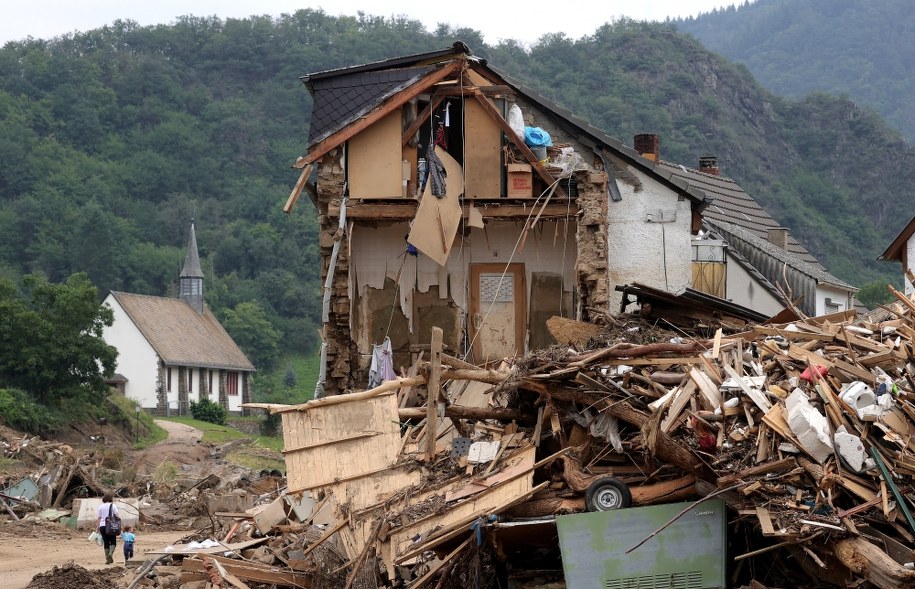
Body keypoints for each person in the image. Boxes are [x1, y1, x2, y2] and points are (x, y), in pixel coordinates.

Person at [97, 493, 119, 564]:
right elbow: (117, 516)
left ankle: (107, 559)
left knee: (106, 542)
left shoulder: (100, 507)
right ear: (110, 499)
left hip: (102, 526)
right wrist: (120, 524)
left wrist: (97, 527)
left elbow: (99, 518)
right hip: (111, 526)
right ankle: (110, 554)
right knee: (113, 541)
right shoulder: (113, 506)